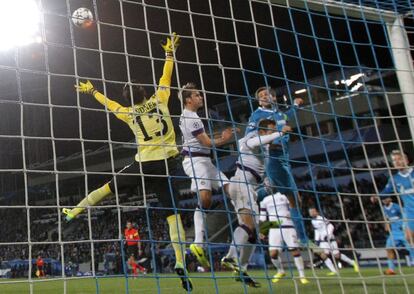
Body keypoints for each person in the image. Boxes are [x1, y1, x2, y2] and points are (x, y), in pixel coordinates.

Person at [62, 33, 192, 291]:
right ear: (145, 92)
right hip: (167, 164)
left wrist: (92, 91)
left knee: (108, 187)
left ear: (129, 99)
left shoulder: (128, 113)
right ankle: (180, 260)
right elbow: (166, 75)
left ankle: (75, 210)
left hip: (143, 166)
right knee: (173, 216)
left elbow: (109, 104)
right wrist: (169, 53)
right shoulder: (160, 98)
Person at [221, 119, 291, 288]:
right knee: (248, 225)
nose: (273, 135)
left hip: (248, 187)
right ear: (262, 131)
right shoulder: (252, 137)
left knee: (253, 233)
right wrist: (280, 132)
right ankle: (230, 257)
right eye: (270, 131)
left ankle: (241, 268)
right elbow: (253, 142)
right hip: (241, 181)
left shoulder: (265, 148)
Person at [178, 82, 237, 269]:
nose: (201, 97)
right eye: (197, 95)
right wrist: (225, 139)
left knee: (233, 191)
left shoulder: (190, 116)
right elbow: (207, 142)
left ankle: (244, 236)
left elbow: (203, 140)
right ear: (189, 99)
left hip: (206, 161)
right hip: (195, 161)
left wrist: (220, 135)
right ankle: (198, 243)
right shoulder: (192, 118)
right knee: (205, 199)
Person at [246, 86, 307, 243]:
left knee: (286, 201)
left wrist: (295, 106)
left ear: (273, 97)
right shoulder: (257, 115)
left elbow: (286, 117)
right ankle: (302, 239)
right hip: (274, 156)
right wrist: (270, 141)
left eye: (267, 94)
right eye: (261, 95)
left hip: (284, 157)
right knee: (294, 200)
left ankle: (261, 228)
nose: (264, 97)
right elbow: (250, 138)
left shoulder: (278, 113)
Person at [259, 192, 310, 284]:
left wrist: (292, 213)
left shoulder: (285, 195)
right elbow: (262, 218)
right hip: (274, 227)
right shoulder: (264, 200)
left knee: (294, 250)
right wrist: (262, 231)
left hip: (288, 225)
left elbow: (296, 206)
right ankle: (280, 271)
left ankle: (302, 276)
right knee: (273, 254)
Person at [373, 150, 414, 249]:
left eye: (399, 159)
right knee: (409, 237)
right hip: (410, 212)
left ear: (407, 160)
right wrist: (377, 196)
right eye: (394, 160)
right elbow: (386, 191)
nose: (397, 162)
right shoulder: (394, 179)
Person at [309, 207, 359, 274]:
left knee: (337, 255)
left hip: (330, 240)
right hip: (323, 241)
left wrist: (328, 235)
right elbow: (317, 231)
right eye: (310, 212)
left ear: (316, 212)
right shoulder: (313, 221)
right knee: (323, 255)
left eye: (313, 211)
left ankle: (353, 263)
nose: (312, 213)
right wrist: (316, 240)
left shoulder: (322, 219)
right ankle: (333, 271)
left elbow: (331, 226)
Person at [381, 197, 414, 275]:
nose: (384, 200)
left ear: (390, 199)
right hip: (393, 233)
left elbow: (405, 215)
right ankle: (391, 269)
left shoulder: (396, 207)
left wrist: (405, 226)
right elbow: (386, 218)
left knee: (411, 248)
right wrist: (386, 223)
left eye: (386, 198)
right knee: (389, 249)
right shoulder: (384, 208)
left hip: (402, 232)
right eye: (383, 199)